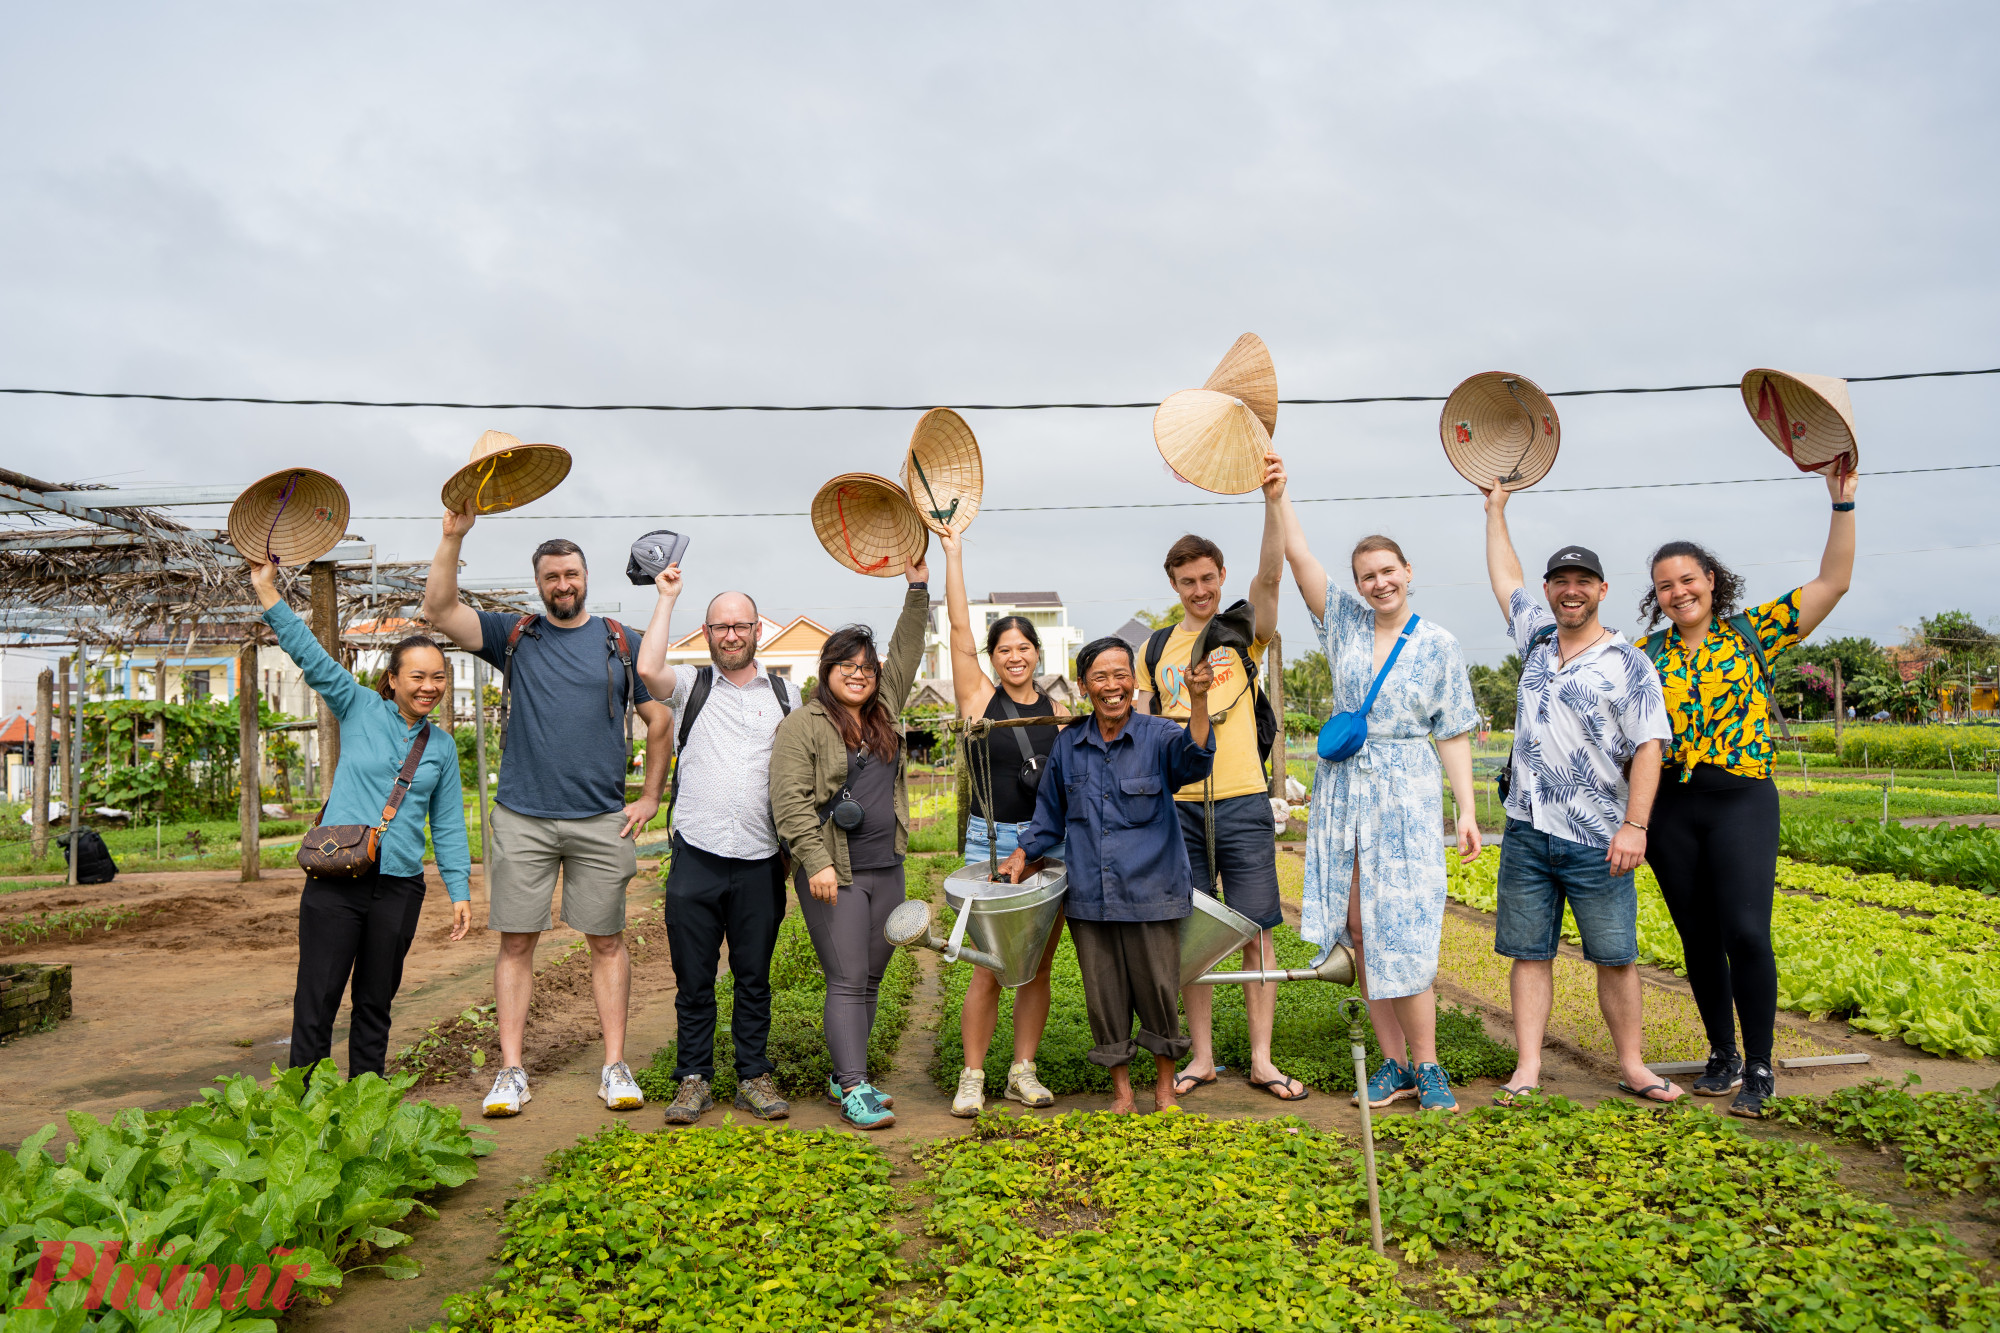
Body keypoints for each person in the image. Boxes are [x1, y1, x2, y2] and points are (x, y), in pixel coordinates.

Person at [422, 505, 672, 1118]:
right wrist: (453, 535)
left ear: (586, 577)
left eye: (572, 574)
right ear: (539, 583)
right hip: (523, 818)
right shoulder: (516, 636)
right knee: (515, 944)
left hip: (599, 819)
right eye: (552, 576)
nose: (563, 584)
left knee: (608, 941)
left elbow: (660, 715)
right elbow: (438, 610)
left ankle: (615, 1066)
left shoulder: (620, 641)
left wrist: (649, 796)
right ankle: (511, 1072)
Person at [1641, 468, 1859, 1117]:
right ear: (1657, 597)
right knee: (1698, 937)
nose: (1678, 590)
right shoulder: (1643, 653)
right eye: (1665, 585)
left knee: (1745, 930)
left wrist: (1841, 499)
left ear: (1711, 579)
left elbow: (1834, 582)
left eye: (1687, 578)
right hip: (1670, 808)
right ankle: (1722, 1052)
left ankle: (1760, 1063)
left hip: (1742, 799)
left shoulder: (1754, 632)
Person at [1270, 454, 1481, 1113]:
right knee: (1361, 926)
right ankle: (1394, 1063)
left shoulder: (1439, 643)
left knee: (1407, 923)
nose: (1379, 582)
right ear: (1358, 584)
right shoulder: (1345, 626)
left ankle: (1431, 1063)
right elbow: (1301, 558)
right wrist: (1280, 496)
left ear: (1408, 572)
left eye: (1389, 570)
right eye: (1368, 575)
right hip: (1346, 790)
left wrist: (1467, 811)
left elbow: (1453, 731)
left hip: (1409, 788)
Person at [1481, 482, 1679, 1105]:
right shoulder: (1537, 639)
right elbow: (1504, 575)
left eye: (1582, 580)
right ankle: (1529, 1068)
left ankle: (1634, 1065)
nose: (1571, 589)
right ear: (1549, 591)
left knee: (1615, 957)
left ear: (1601, 590)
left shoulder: (1629, 662)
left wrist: (1636, 826)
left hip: (1599, 836)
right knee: (1529, 953)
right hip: (1527, 830)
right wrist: (1495, 511)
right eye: (1560, 580)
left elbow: (1650, 747)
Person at [249, 559, 472, 1078]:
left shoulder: (441, 746)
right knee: (317, 999)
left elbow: (448, 824)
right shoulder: (357, 708)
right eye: (417, 676)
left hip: (399, 887)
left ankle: (365, 1105)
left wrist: (458, 890)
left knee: (376, 1003)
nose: (429, 687)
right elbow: (310, 654)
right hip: (336, 878)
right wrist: (267, 592)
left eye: (439, 677)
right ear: (392, 679)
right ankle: (304, 1104)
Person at [996, 637, 1215, 1113]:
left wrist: (1198, 701)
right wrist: (1021, 855)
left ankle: (1162, 1089)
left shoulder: (1159, 736)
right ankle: (1122, 1092)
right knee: (1104, 995)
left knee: (1159, 991)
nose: (1112, 686)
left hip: (1153, 890)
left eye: (1121, 675)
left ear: (1134, 683)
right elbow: (1048, 815)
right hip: (1091, 897)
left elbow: (1195, 761)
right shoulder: (1069, 746)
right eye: (1100, 676)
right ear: (1083, 686)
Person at [1137, 510, 1296, 1102]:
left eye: (1208, 579)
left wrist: (1272, 501)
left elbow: (1272, 579)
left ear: (1222, 576)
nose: (1200, 591)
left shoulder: (1244, 631)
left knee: (1255, 930)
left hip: (1243, 800)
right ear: (1173, 586)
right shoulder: (1155, 648)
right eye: (1188, 582)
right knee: (1194, 933)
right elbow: (1148, 729)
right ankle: (1201, 1058)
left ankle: (1261, 1059)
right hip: (1178, 808)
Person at [768, 555, 930, 1130]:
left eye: (866, 666)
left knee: (873, 976)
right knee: (845, 976)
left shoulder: (885, 711)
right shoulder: (803, 725)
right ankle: (855, 1088)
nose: (858, 674)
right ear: (827, 668)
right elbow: (788, 803)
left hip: (887, 867)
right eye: (846, 665)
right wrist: (815, 862)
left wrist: (917, 587)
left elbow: (908, 648)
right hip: (835, 872)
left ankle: (846, 1072)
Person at [635, 568, 794, 1124]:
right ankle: (693, 1078)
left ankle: (753, 1074)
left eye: (741, 625)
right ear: (706, 632)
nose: (731, 635)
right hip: (697, 855)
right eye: (721, 626)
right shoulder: (689, 688)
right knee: (694, 979)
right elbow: (648, 668)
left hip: (760, 860)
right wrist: (667, 597)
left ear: (757, 631)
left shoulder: (785, 694)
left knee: (754, 977)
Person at [938, 528, 1067, 1117]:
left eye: (1024, 648)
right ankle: (972, 1076)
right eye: (1003, 650)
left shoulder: (1061, 714)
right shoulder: (978, 700)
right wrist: (954, 553)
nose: (1014, 657)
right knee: (990, 966)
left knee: (1036, 963)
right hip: (991, 842)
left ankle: (1023, 1070)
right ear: (992, 658)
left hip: (1047, 846)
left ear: (1038, 652)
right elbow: (959, 633)